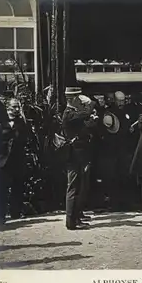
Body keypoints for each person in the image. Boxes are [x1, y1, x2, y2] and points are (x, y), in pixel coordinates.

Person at [61, 87, 98, 230]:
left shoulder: (73, 113)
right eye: (79, 98)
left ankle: (75, 218)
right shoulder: (69, 114)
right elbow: (86, 113)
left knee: (78, 187)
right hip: (74, 155)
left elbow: (85, 124)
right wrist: (90, 102)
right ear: (74, 99)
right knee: (73, 188)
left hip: (79, 154)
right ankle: (71, 221)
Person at [0, 98, 30, 223]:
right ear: (8, 107)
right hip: (3, 160)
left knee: (18, 187)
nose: (17, 109)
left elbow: (26, 138)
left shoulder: (22, 122)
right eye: (14, 107)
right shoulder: (0, 121)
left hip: (18, 159)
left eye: (18, 107)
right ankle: (1, 215)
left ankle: (15, 212)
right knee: (2, 188)